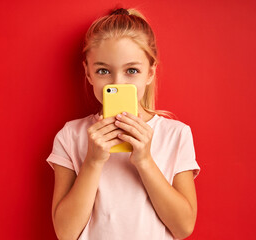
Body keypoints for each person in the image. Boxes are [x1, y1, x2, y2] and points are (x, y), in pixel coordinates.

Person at [46, 7, 201, 240]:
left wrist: (145, 160)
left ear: (150, 73)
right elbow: (65, 233)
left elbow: (184, 227)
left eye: (131, 70)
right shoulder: (71, 136)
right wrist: (93, 161)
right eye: (103, 71)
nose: (117, 83)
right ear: (88, 73)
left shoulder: (176, 135)